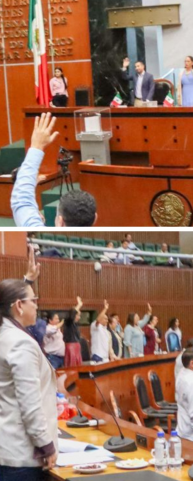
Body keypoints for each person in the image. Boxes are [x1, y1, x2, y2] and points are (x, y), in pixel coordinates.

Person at [0, 275, 58, 480]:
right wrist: (46, 445)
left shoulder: (5, 334)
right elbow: (29, 403)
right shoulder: (20, 343)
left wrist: (28, 280)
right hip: (22, 455)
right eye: (33, 300)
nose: (36, 305)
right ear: (19, 306)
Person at [11, 113, 97, 228]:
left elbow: (22, 200)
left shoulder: (36, 230)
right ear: (95, 218)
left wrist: (37, 146)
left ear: (60, 221)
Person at [63, 296, 83, 367]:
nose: (79, 317)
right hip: (71, 347)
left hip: (76, 347)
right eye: (78, 315)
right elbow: (71, 315)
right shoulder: (68, 322)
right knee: (72, 367)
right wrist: (79, 305)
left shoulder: (75, 325)